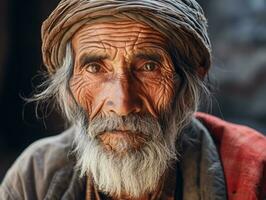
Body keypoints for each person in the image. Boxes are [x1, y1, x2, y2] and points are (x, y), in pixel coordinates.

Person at [1, 0, 266, 199]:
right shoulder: (35, 176)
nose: (123, 103)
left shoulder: (254, 169)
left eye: (149, 67)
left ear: (193, 77)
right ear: (68, 83)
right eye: (95, 68)